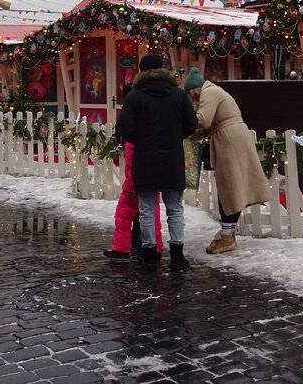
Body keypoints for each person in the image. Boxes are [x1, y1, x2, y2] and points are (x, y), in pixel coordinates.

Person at [115, 53, 198, 271]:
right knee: (175, 209)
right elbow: (191, 124)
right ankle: (178, 255)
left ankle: (150, 253)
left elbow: (124, 129)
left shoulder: (135, 97)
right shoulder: (178, 95)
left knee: (146, 209)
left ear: (141, 71)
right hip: (172, 158)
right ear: (163, 69)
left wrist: (141, 138)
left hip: (145, 158)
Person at [184, 68, 271, 255]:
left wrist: (181, 122)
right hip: (230, 138)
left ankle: (227, 236)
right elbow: (210, 126)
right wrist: (191, 136)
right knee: (232, 187)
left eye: (190, 97)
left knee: (229, 187)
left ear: (193, 90)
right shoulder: (213, 92)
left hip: (229, 141)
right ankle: (228, 233)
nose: (193, 101)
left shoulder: (209, 92)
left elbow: (204, 120)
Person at [106, 82, 163, 260]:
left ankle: (120, 249)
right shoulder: (152, 117)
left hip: (135, 179)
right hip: (153, 176)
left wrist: (131, 180)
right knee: (152, 213)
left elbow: (131, 160)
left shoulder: (131, 128)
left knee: (124, 213)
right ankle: (155, 247)